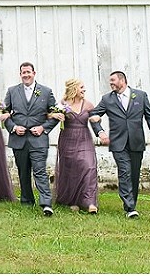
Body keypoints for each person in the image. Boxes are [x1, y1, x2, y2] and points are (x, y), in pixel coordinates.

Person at [89, 71, 150, 219]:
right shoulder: (107, 99)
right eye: (110, 81)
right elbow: (93, 115)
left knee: (134, 174)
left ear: (122, 80)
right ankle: (130, 207)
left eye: (113, 80)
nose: (111, 83)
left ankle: (131, 203)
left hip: (136, 141)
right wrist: (100, 132)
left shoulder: (140, 96)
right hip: (118, 143)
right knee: (125, 172)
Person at [3, 62, 59, 216]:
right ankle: (27, 200)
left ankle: (46, 203)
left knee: (40, 171)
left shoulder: (46, 92)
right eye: (23, 72)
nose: (26, 75)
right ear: (20, 74)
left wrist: (43, 128)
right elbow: (4, 113)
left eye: (28, 72)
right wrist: (14, 127)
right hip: (18, 139)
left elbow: (56, 114)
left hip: (38, 139)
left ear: (34, 73)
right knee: (23, 171)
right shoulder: (12, 91)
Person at [49, 79, 98, 213]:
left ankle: (90, 202)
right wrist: (53, 115)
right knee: (70, 169)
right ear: (74, 89)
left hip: (84, 138)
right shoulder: (63, 104)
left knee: (89, 166)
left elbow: (95, 122)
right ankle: (73, 201)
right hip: (67, 139)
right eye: (81, 87)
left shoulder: (88, 105)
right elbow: (49, 116)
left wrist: (100, 131)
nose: (84, 90)